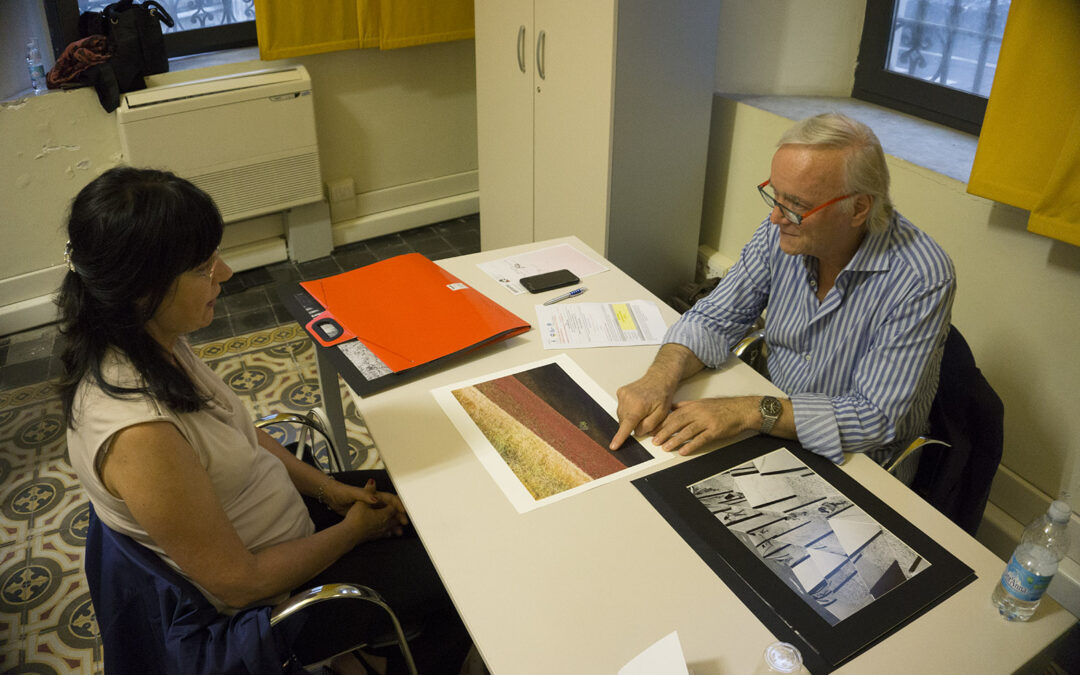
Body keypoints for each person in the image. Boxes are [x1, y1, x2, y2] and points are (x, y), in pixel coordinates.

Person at [59, 166, 469, 673]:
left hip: (290, 526)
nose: (225, 273)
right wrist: (354, 531)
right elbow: (242, 583)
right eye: (203, 267)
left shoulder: (151, 342)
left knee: (446, 497)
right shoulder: (139, 436)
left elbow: (240, 436)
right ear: (143, 289)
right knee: (467, 569)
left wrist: (331, 491)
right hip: (274, 603)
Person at [610, 113, 955, 475]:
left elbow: (873, 418)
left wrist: (746, 411)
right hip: (772, 424)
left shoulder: (921, 277)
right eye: (774, 195)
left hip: (860, 461)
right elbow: (714, 318)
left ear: (857, 208)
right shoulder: (781, 230)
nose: (776, 217)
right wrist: (658, 378)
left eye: (797, 205)